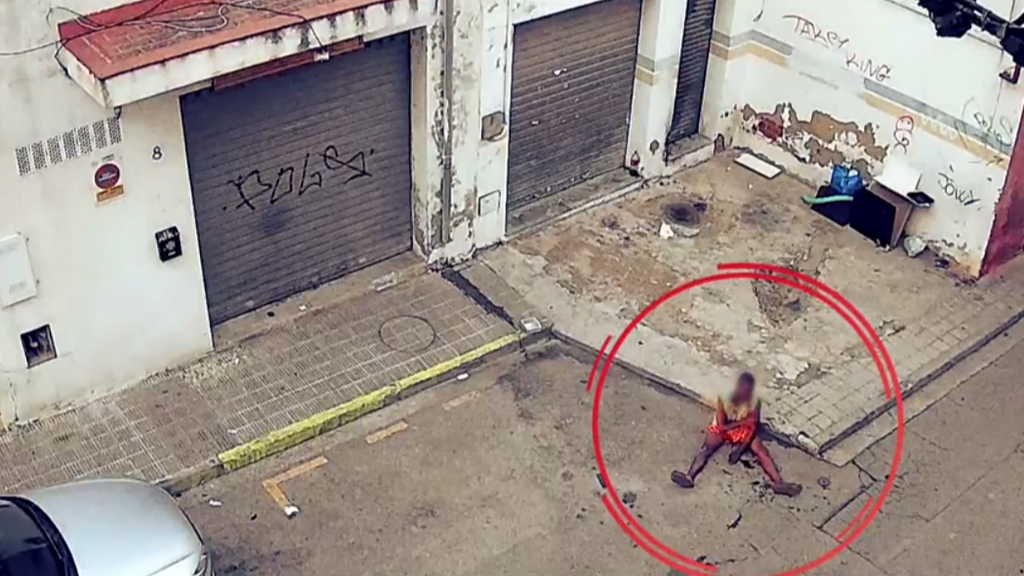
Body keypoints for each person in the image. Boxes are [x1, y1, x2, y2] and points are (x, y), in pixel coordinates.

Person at [670, 372, 803, 497]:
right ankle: (689, 476)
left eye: (747, 393)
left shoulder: (754, 402)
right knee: (706, 449)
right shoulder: (724, 398)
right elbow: (722, 426)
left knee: (762, 452)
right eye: (742, 391)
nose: (744, 395)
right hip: (723, 428)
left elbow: (752, 427)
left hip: (742, 429)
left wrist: (740, 450)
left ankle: (779, 483)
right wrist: (742, 422)